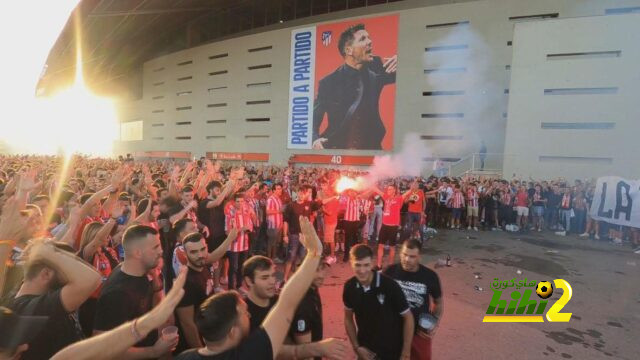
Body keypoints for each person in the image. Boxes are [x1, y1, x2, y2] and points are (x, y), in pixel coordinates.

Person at [175, 217, 342, 360]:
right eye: (243, 313)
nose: (248, 314)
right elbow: (287, 303)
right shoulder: (248, 353)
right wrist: (314, 253)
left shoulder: (185, 357)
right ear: (232, 332)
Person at [93, 225, 178, 359]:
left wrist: (156, 280)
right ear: (138, 253)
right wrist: (154, 351)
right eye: (155, 247)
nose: (161, 251)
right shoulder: (116, 294)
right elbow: (103, 348)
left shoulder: (144, 270)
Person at [10, 240, 101, 360]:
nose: (73, 274)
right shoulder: (34, 310)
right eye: (70, 270)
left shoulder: (28, 301)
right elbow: (91, 280)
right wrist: (44, 251)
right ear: (46, 274)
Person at [312, 23, 397, 150]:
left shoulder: (376, 65)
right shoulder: (328, 83)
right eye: (363, 39)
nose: (370, 42)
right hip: (338, 148)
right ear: (348, 50)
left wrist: (403, 61)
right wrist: (314, 140)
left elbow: (400, 78)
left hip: (372, 149)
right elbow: (314, 118)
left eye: (369, 38)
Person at [343, 244, 413, 360]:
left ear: (372, 263)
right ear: (351, 263)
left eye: (366, 265)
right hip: (365, 352)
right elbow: (348, 318)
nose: (362, 270)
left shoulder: (390, 286)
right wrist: (356, 347)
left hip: (392, 352)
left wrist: (406, 352)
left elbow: (408, 317)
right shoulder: (349, 287)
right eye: (357, 265)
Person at [175, 230, 237, 351]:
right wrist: (201, 352)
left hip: (208, 336)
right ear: (185, 254)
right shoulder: (185, 282)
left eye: (203, 249)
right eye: (193, 252)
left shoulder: (201, 265)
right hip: (195, 345)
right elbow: (187, 324)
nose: (200, 255)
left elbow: (215, 255)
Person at [384, 240, 443, 360]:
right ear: (400, 253)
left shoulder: (430, 276)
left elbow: (439, 303)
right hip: (393, 332)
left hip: (419, 333)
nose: (407, 259)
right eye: (405, 255)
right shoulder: (390, 272)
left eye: (412, 256)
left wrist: (433, 322)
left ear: (419, 257)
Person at [283, 185, 318, 281]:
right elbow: (285, 221)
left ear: (306, 194)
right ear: (297, 193)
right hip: (294, 235)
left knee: (303, 256)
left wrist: (334, 196)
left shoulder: (309, 204)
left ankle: (300, 277)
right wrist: (285, 235)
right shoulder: (291, 205)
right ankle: (285, 278)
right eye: (300, 193)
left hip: (305, 236)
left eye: (304, 193)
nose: (301, 195)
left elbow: (321, 203)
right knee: (291, 256)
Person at [265, 183, 284, 262]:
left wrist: (282, 222)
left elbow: (281, 212)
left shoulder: (279, 199)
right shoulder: (270, 199)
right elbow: (267, 211)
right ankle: (269, 258)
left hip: (279, 224)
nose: (280, 190)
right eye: (278, 189)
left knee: (276, 242)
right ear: (273, 190)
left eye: (280, 188)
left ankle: (274, 257)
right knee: (271, 242)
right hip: (272, 224)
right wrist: (278, 211)